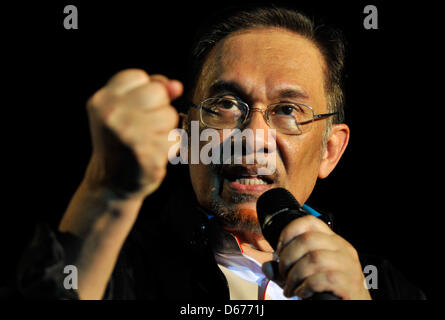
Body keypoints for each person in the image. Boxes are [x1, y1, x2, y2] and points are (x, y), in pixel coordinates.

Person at [8, 5, 425, 300]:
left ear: (329, 151)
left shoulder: (379, 286)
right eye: (226, 104)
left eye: (287, 110)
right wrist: (107, 192)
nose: (254, 136)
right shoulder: (119, 264)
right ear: (188, 131)